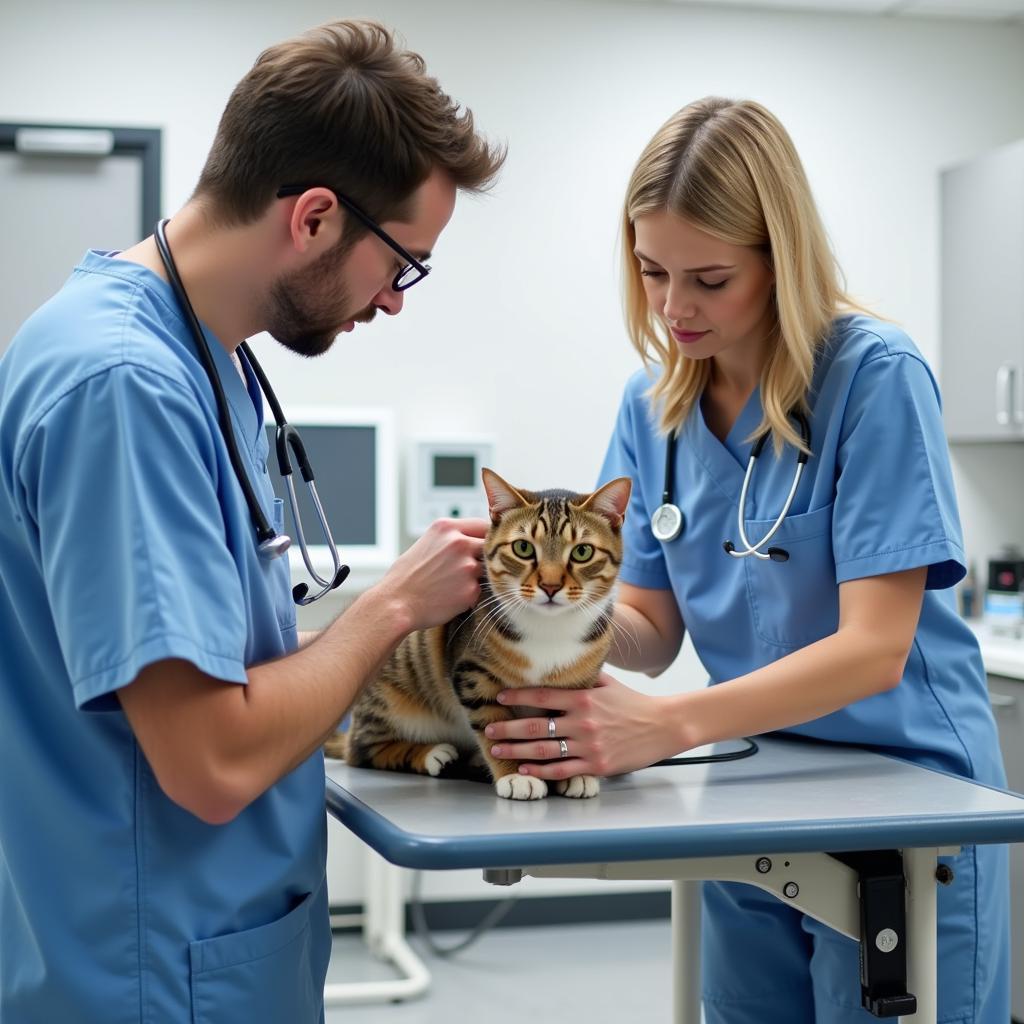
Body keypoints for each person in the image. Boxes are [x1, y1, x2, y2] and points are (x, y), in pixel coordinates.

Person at [0, 20, 503, 1023]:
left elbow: (215, 660)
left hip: (201, 943)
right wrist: (389, 609)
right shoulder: (125, 387)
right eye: (401, 264)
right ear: (315, 216)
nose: (395, 304)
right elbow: (211, 759)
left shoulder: (200, 353)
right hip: (150, 968)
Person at [483, 97, 1009, 1022]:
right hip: (755, 791)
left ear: (781, 262)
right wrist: (530, 615)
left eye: (710, 279)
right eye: (652, 272)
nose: (675, 308)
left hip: (905, 801)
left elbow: (874, 649)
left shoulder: (873, 377)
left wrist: (669, 726)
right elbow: (646, 625)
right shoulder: (653, 406)